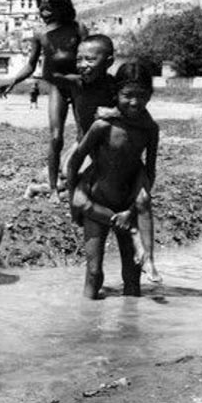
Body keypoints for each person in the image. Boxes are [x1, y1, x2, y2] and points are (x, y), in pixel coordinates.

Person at [59, 36, 161, 283]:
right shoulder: (102, 125)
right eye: (128, 96)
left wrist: (133, 208)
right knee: (93, 272)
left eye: (142, 96)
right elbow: (75, 160)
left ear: (149, 96)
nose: (135, 102)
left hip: (128, 199)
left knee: (132, 277)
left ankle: (148, 259)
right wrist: (73, 193)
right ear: (117, 94)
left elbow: (150, 170)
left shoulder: (149, 127)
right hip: (98, 199)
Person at [0, 0, 87, 201]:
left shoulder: (78, 29)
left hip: (78, 87)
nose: (44, 13)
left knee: (84, 136)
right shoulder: (40, 34)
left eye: (49, 9)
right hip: (57, 87)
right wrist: (13, 81)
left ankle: (74, 176)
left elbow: (89, 58)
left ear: (62, 8)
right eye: (41, 8)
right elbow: (31, 65)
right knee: (56, 138)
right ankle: (54, 188)